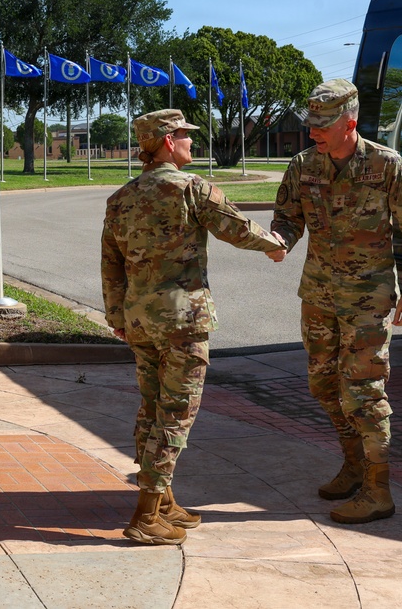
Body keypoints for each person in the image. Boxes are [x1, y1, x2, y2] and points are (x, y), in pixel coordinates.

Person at [101, 108, 286, 546]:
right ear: (167, 141)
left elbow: (111, 266)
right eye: (185, 135)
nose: (190, 142)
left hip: (140, 320)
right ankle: (145, 514)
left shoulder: (121, 197)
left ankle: (165, 501)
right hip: (183, 321)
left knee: (152, 407)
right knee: (176, 414)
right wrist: (273, 246)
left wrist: (117, 317)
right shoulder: (190, 188)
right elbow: (236, 227)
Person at [271, 79, 402, 524]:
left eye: (323, 126)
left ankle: (378, 489)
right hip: (319, 295)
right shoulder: (303, 165)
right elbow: (287, 219)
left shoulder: (387, 166)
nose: (313, 133)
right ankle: (353, 464)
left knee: (363, 391)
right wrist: (279, 240)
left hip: (368, 298)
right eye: (312, 125)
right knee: (323, 386)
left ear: (351, 122)